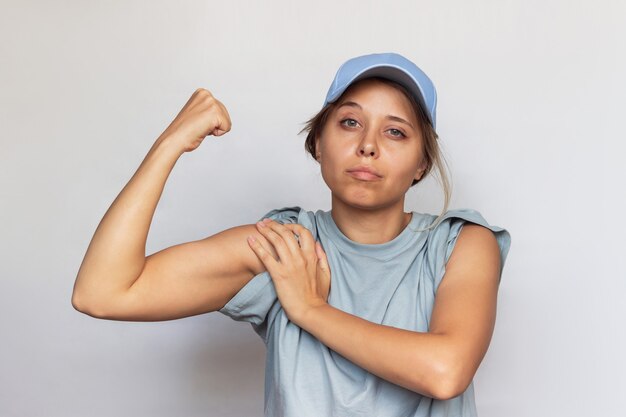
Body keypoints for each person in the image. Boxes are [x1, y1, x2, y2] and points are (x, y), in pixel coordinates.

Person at [72, 52, 511, 417]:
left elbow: (445, 371)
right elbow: (103, 293)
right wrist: (168, 146)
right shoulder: (282, 247)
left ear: (421, 165)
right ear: (317, 143)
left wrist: (310, 309)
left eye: (395, 131)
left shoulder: (461, 244)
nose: (368, 145)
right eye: (349, 123)